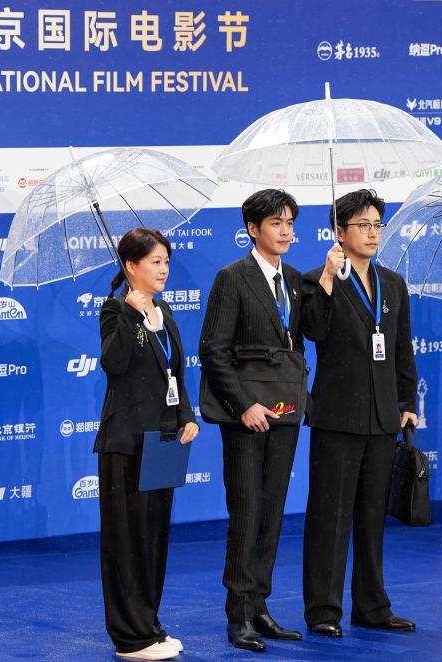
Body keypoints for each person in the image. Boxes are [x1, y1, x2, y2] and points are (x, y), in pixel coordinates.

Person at [301, 189, 418, 638]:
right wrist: (329, 279)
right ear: (339, 232)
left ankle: (371, 605)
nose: (372, 233)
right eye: (362, 225)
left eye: (376, 225)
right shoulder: (317, 279)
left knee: (372, 517)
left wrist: (406, 403)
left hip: (383, 418)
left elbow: (401, 348)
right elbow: (314, 330)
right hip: (337, 417)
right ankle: (323, 609)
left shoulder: (392, 283)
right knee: (329, 517)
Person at [199, 189, 311, 652]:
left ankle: (261, 605)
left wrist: (329, 277)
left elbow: (311, 335)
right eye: (276, 223)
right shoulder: (233, 278)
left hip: (284, 412)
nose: (285, 231)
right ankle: (239, 612)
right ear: (252, 228)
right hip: (246, 418)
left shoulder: (297, 281)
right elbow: (213, 350)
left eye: (290, 223)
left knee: (271, 512)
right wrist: (244, 405)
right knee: (246, 512)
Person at [95, 228, 200, 660]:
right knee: (126, 541)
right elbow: (114, 364)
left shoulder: (164, 309)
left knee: (153, 540)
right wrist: (132, 316)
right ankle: (130, 637)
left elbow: (175, 373)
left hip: (162, 441)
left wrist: (186, 416)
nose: (163, 270)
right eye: (155, 262)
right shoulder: (115, 309)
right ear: (131, 266)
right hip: (126, 443)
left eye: (166, 262)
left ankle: (150, 626)